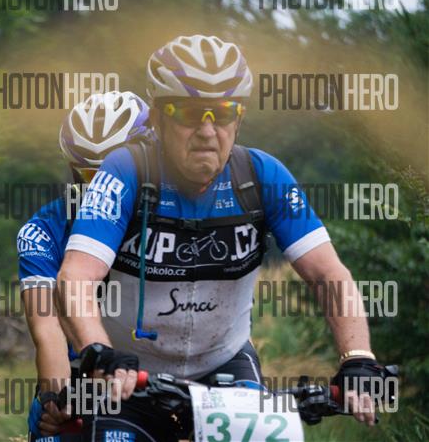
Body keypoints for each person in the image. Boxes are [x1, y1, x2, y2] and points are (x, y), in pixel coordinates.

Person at [56, 35, 386, 441]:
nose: (207, 131)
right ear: (157, 118)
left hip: (224, 363)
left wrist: (358, 358)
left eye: (224, 112)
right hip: (126, 373)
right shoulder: (124, 172)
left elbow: (328, 274)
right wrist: (98, 351)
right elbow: (75, 278)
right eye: (188, 112)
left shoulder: (263, 176)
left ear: (239, 119)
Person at [17, 91, 152, 441]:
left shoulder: (173, 215)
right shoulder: (43, 230)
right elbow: (48, 331)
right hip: (85, 372)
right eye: (91, 174)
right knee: (50, 426)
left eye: (117, 170)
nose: (102, 187)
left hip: (162, 367)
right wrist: (56, 400)